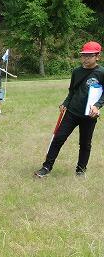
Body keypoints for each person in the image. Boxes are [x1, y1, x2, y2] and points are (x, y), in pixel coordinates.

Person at [35, 41, 104, 178]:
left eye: (90, 56)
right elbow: (72, 90)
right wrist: (65, 103)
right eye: (84, 55)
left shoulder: (101, 72)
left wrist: (97, 105)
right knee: (58, 138)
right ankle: (46, 167)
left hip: (89, 115)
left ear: (97, 56)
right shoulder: (76, 72)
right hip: (72, 112)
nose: (86, 58)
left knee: (85, 144)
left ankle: (80, 170)